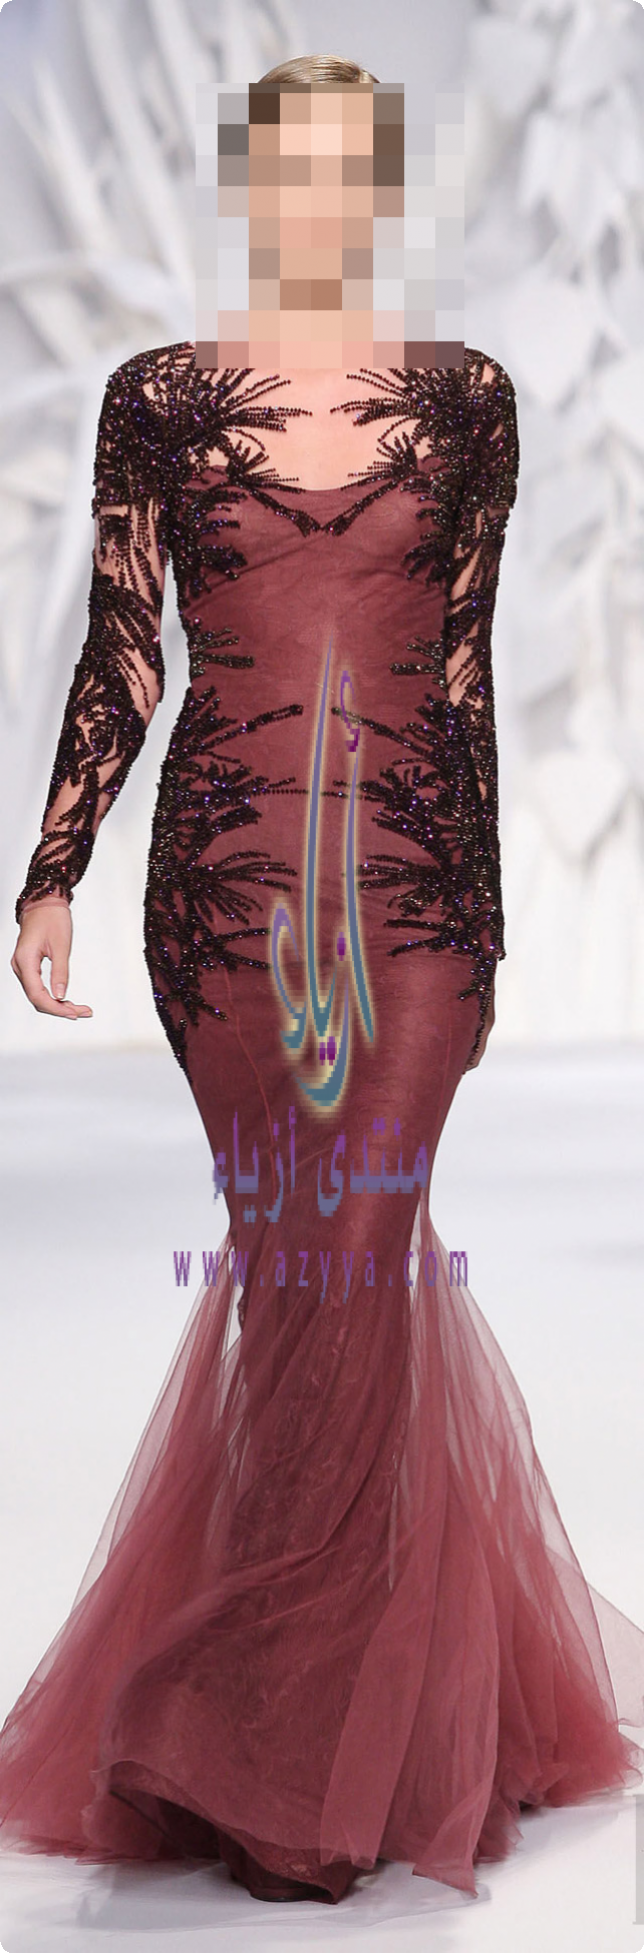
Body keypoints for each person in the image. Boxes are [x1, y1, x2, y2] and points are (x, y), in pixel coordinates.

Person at [2, 50, 643, 1911]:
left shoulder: (468, 399)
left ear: (375, 193)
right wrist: (53, 872)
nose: (315, 203)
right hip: (223, 895)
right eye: (287, 172)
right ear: (249, 189)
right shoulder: (157, 398)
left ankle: (283, 1749)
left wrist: (487, 928)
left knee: (353, 1245)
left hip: (414, 897)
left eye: (345, 172)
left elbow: (464, 673)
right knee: (298, 1264)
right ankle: (323, 1719)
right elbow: (123, 654)